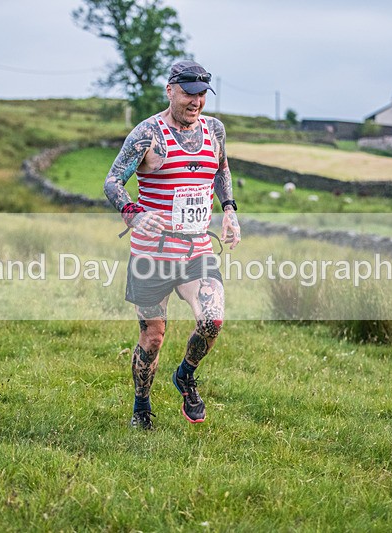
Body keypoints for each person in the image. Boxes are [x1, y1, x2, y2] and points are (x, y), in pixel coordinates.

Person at [103, 60, 241, 430]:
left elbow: (221, 170)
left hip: (197, 250)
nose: (196, 102)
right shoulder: (148, 133)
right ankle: (141, 407)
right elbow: (112, 181)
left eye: (202, 95)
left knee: (212, 320)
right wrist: (133, 213)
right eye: (188, 94)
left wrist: (229, 210)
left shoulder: (214, 130)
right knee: (153, 338)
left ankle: (185, 375)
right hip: (152, 254)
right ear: (170, 91)